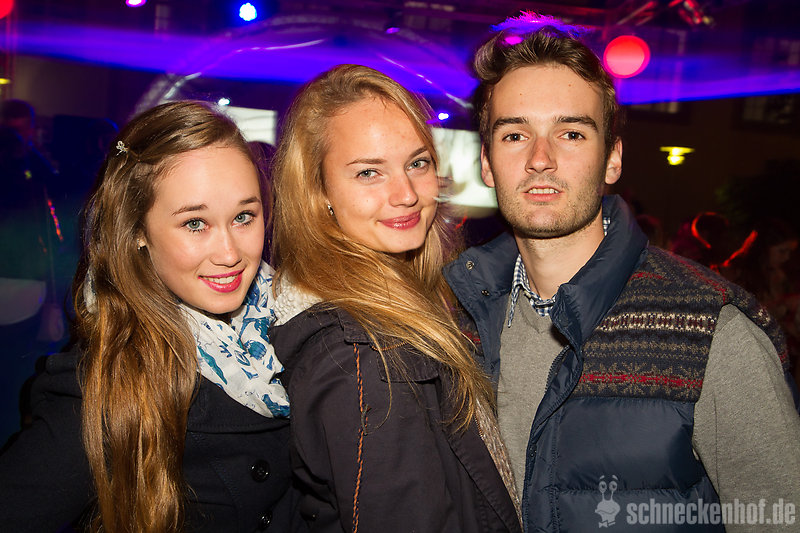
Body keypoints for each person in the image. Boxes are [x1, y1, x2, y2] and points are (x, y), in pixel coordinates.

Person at [442, 15, 800, 532]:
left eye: (570, 133)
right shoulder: (452, 320)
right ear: (487, 163)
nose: (540, 159)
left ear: (612, 159)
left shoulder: (709, 333)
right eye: (515, 134)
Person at [0, 101, 298, 533]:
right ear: (138, 231)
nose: (230, 253)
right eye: (195, 223)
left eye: (243, 217)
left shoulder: (294, 317)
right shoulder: (110, 387)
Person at [268, 64, 521, 533]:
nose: (406, 194)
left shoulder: (412, 298)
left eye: (417, 163)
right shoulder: (360, 356)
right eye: (369, 172)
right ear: (318, 191)